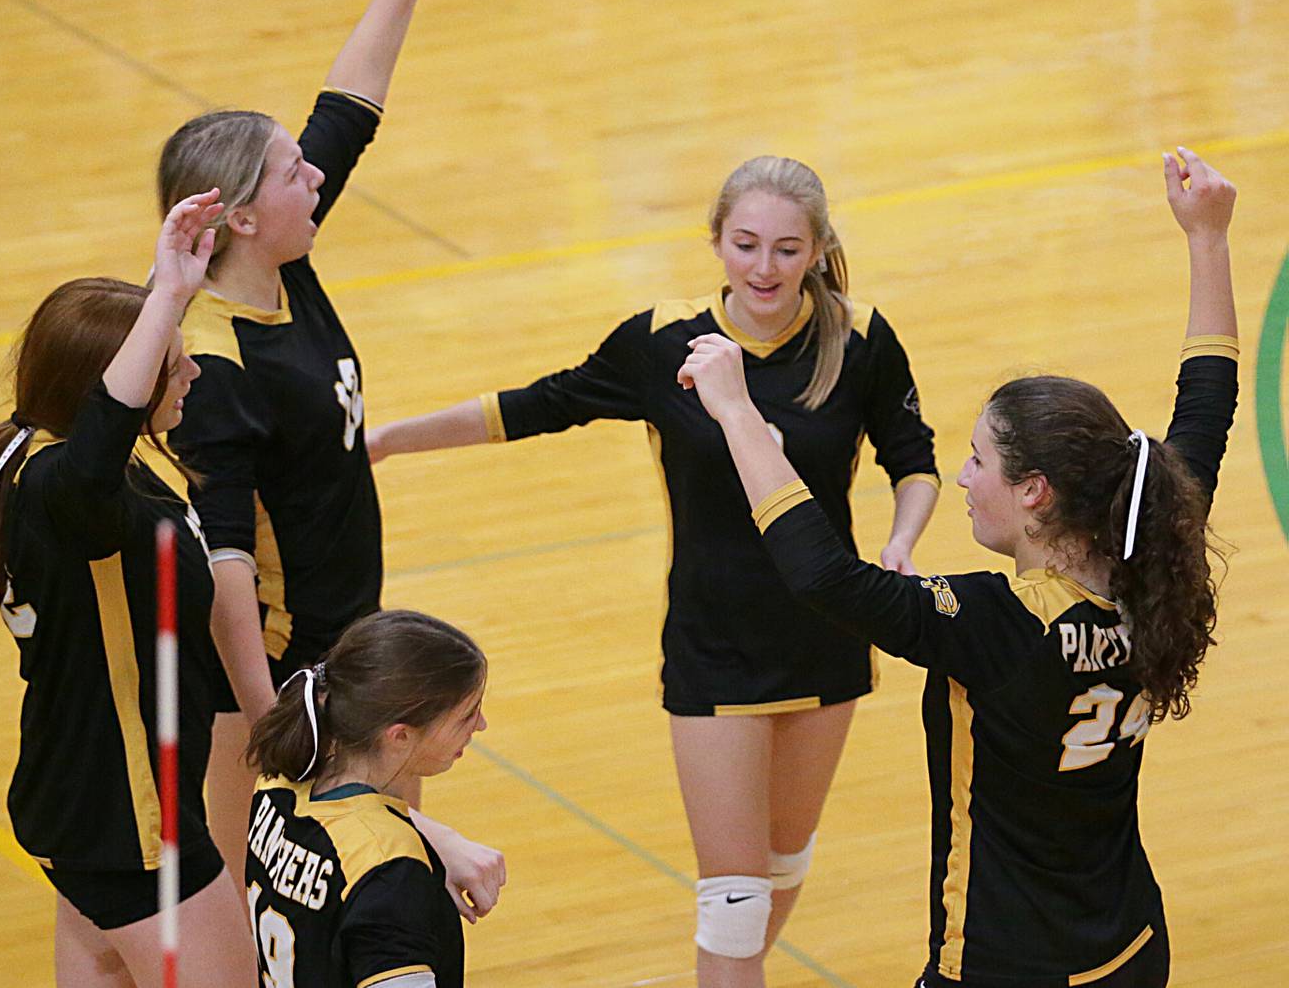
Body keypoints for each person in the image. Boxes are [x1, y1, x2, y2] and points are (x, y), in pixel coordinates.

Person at [369, 155, 941, 986]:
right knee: (734, 901)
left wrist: (903, 539)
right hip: (713, 650)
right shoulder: (665, 340)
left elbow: (913, 457)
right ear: (716, 240)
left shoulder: (859, 338)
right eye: (745, 244)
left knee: (781, 869)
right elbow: (540, 403)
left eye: (787, 248)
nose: (764, 267)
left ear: (817, 248)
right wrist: (392, 439)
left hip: (827, 639)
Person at [677, 148, 1238, 988]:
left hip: (1003, 967)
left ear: (1037, 492)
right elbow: (1208, 403)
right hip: (1128, 948)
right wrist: (1209, 239)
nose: (963, 478)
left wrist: (735, 409)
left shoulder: (999, 624)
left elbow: (826, 577)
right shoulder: (1147, 543)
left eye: (978, 461)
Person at [156, 0, 504, 916]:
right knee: (244, 907)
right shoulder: (214, 369)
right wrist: (282, 731)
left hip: (346, 646)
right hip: (275, 679)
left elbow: (349, 108)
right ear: (241, 218)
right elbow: (223, 578)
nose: (315, 176)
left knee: (361, 899)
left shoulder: (282, 265)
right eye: (291, 175)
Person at [0, 192, 259, 986]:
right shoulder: (68, 493)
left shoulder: (34, 450)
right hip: (132, 827)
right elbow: (109, 417)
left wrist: (167, 282)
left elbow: (106, 408)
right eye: (174, 358)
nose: (192, 369)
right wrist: (168, 297)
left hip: (84, 807)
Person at [243, 609, 487, 988]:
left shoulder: (277, 784)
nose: (481, 725)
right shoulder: (390, 873)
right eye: (466, 716)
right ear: (399, 736)